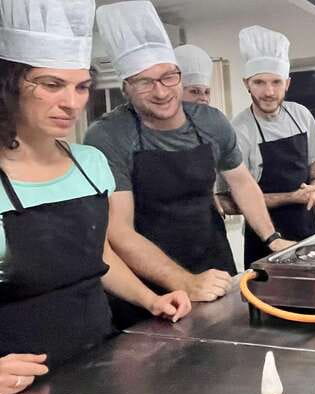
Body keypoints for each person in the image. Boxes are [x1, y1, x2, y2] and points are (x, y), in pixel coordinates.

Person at [0, 0, 190, 394]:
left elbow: (97, 253)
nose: (72, 102)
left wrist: (150, 298)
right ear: (9, 84)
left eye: (82, 86)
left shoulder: (89, 163)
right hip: (20, 392)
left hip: (99, 362)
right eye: (52, 85)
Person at [85, 2, 293, 328]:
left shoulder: (211, 123)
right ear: (125, 87)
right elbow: (119, 231)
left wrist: (272, 238)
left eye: (169, 77)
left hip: (214, 265)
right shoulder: (108, 135)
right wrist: (183, 281)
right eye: (144, 81)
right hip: (147, 286)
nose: (161, 91)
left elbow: (241, 182)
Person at [230, 26, 315, 268]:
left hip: (309, 229)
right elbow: (232, 200)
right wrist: (292, 197)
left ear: (288, 83)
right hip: (263, 239)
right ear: (247, 84)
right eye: (259, 82)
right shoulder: (238, 129)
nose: (269, 91)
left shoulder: (301, 115)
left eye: (276, 82)